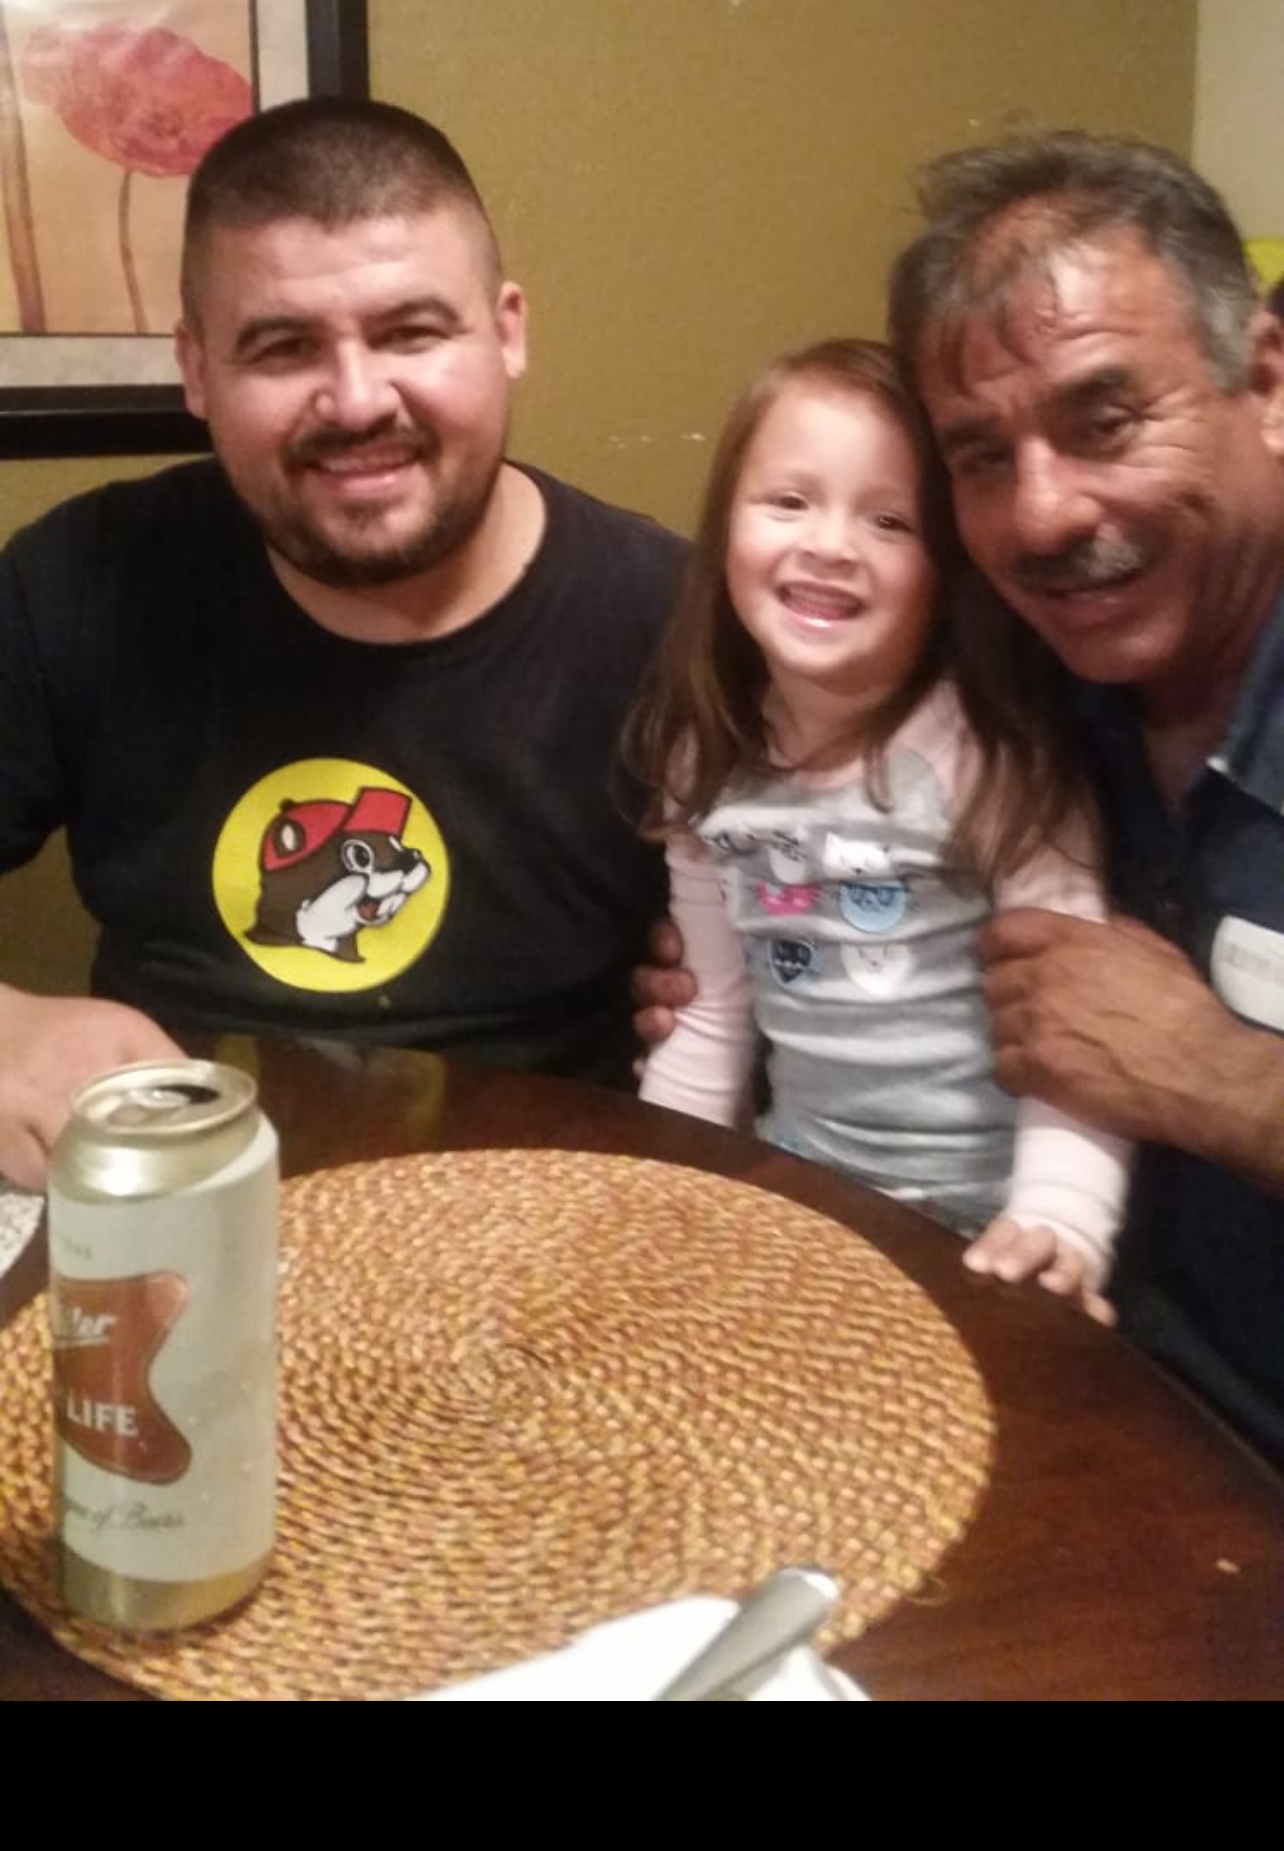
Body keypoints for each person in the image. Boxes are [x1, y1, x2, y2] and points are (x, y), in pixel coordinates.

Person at [634, 132, 1284, 1466]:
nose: (1042, 515)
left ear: (1266, 380)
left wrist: (1221, 1080)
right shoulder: (1039, 680)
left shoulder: (1023, 714)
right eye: (982, 457)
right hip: (1065, 1389)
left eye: (1106, 420)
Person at [0, 99, 685, 1189]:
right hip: (182, 1206)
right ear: (196, 370)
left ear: (506, 331)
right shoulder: (78, 580)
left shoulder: (677, 621)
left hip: (556, 1219)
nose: (358, 401)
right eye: (283, 347)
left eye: (412, 332)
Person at [631, 337, 1129, 1310]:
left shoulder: (989, 755)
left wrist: (1061, 1222)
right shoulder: (703, 759)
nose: (830, 544)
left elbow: (1080, 1023)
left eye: (890, 520)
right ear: (725, 524)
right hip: (805, 1205)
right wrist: (657, 1189)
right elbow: (711, 1013)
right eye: (789, 501)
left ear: (947, 571)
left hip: (992, 1229)